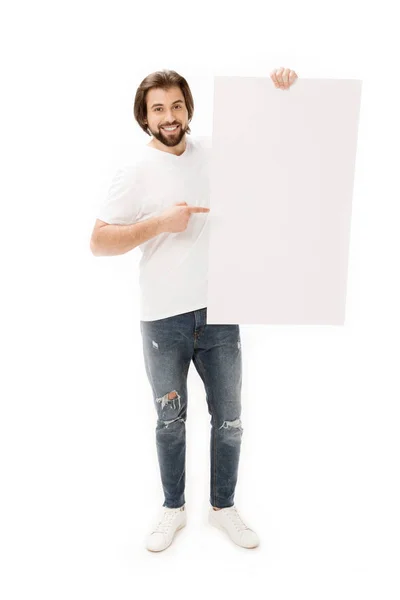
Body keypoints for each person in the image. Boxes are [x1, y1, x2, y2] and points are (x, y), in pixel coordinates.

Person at [90, 66, 298, 552]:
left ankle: (224, 508)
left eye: (177, 105)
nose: (169, 116)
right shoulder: (133, 172)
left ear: (188, 109)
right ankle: (172, 508)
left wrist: (280, 91)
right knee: (170, 419)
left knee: (229, 418)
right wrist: (160, 223)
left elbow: (273, 146)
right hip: (164, 318)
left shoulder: (213, 153)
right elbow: (98, 241)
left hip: (221, 309)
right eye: (158, 108)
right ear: (145, 117)